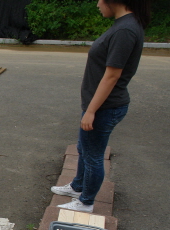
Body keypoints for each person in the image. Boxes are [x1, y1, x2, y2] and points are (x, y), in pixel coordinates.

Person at [51, 0, 150, 213]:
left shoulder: (125, 30)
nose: (97, 4)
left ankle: (86, 202)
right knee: (84, 148)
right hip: (100, 105)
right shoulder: (124, 24)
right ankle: (78, 186)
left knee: (93, 156)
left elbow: (112, 75)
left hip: (105, 107)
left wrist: (91, 111)